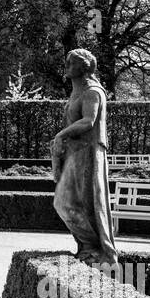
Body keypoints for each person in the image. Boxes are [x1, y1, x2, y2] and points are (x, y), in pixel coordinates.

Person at [50, 49, 118, 266]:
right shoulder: (77, 91)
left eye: (71, 63)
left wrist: (61, 134)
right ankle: (87, 246)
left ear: (84, 67)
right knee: (66, 202)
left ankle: (93, 247)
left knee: (71, 202)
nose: (67, 66)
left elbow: (89, 121)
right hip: (75, 152)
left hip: (88, 153)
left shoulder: (92, 92)